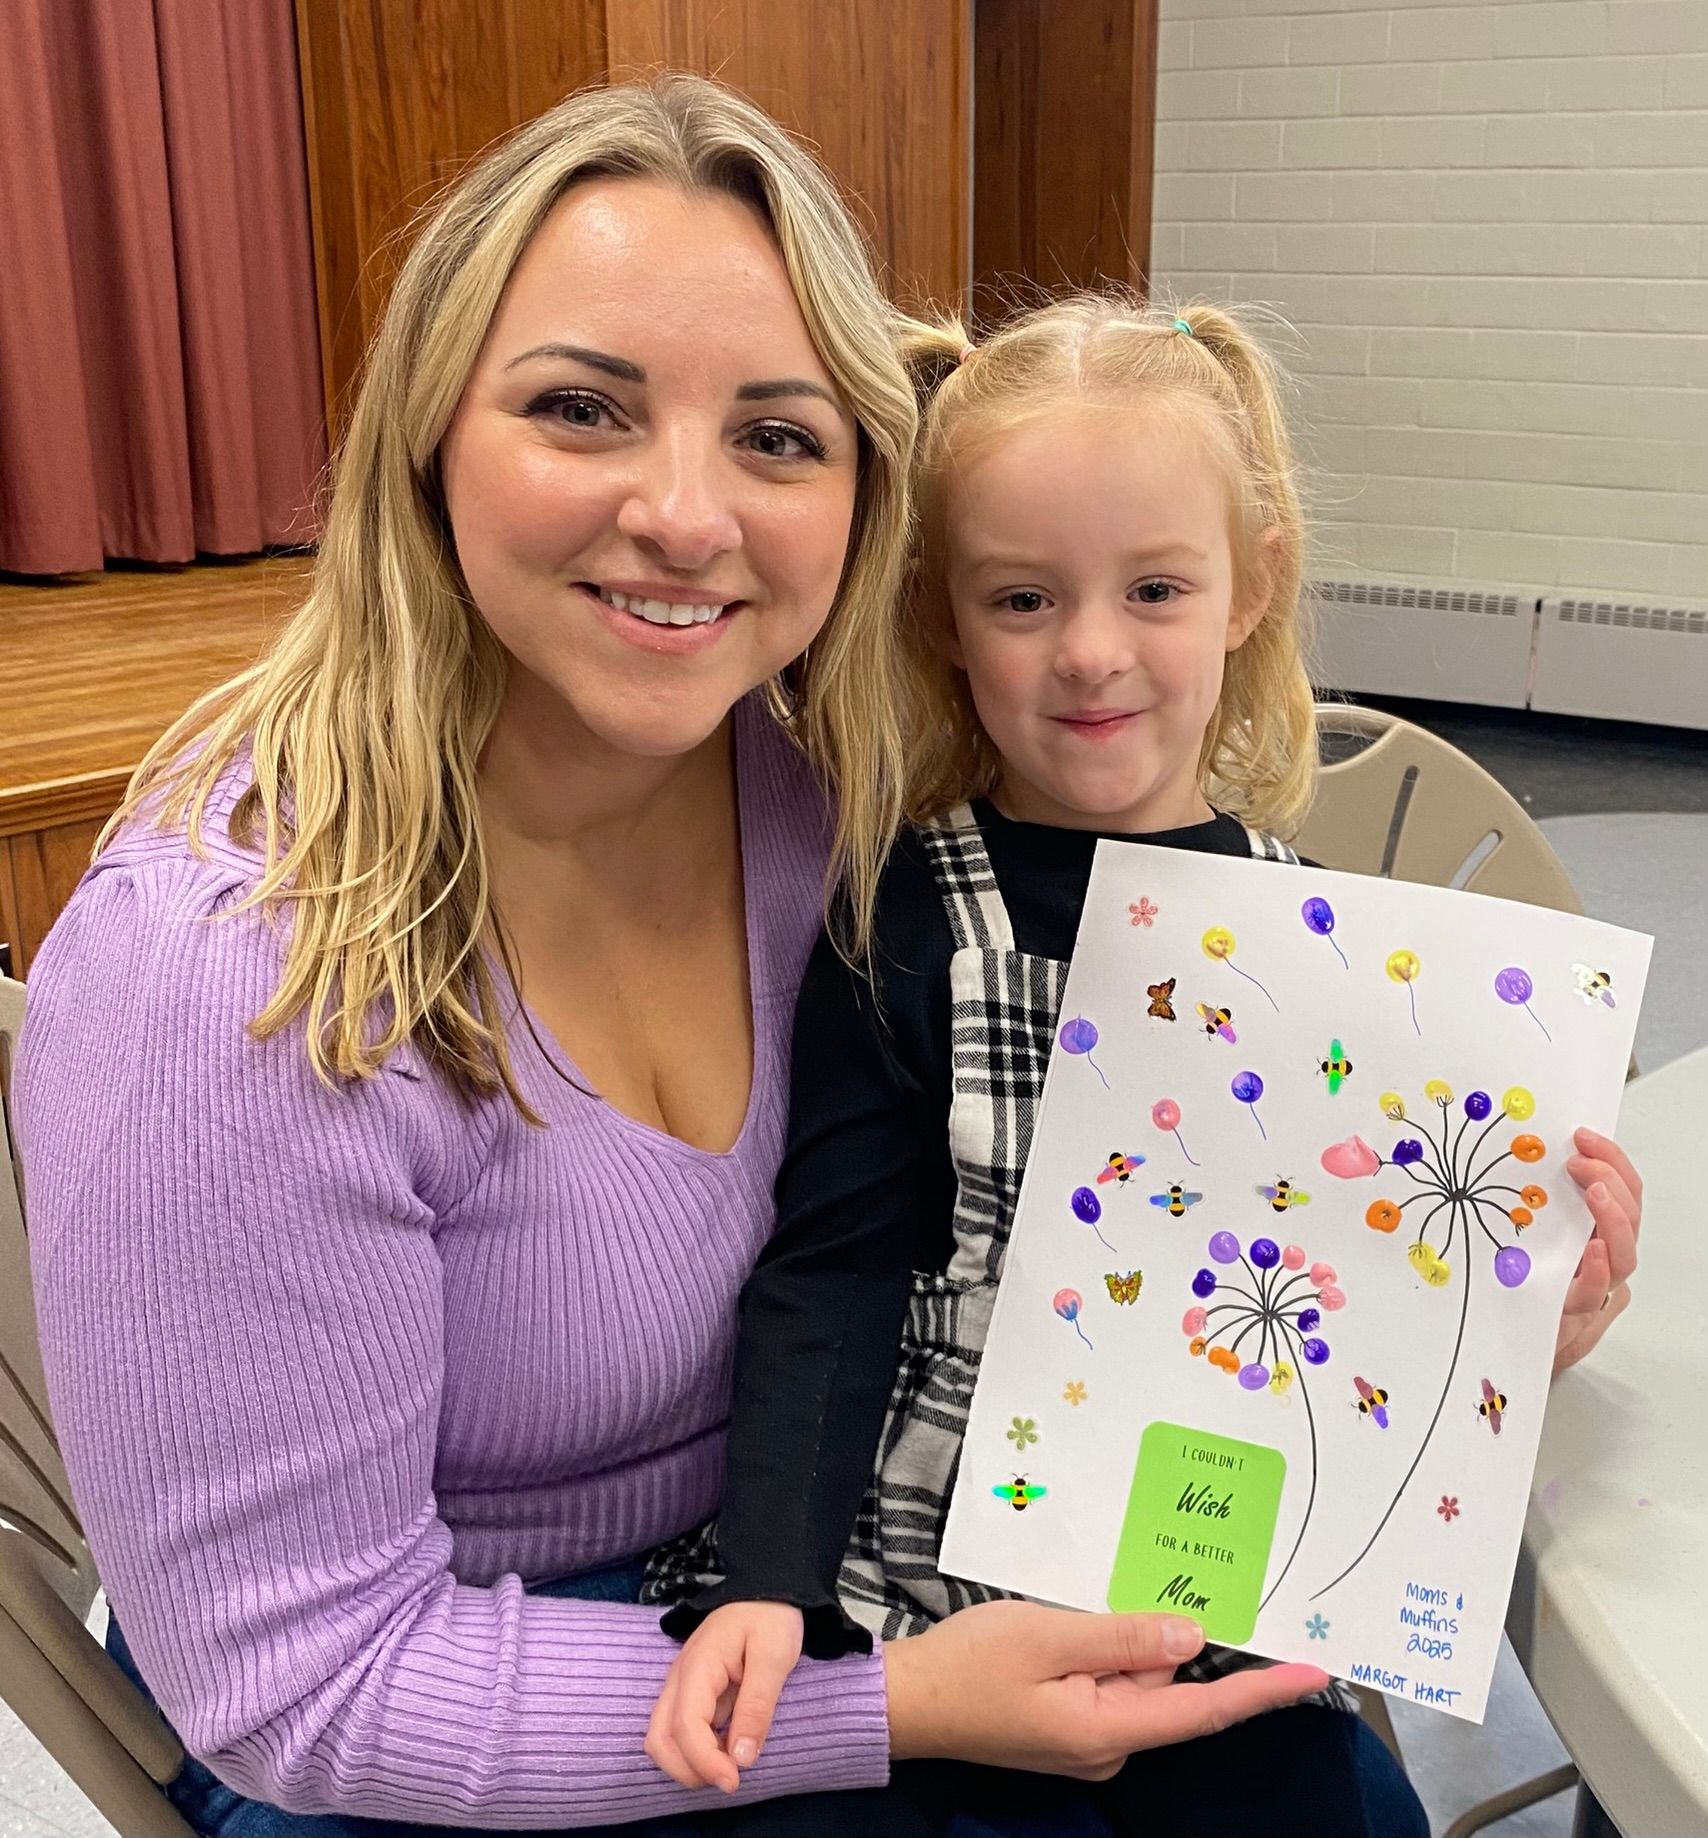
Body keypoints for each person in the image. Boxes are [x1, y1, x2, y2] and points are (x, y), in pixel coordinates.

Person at [16, 82, 1356, 1838]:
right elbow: (299, 1689)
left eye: (777, 436)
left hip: (812, 1556)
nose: (683, 512)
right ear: (427, 430)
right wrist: (884, 1705)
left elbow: (1065, 1209)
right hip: (418, 1712)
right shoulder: (218, 973)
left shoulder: (823, 802)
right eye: (582, 408)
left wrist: (1427, 1278)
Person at [642, 295, 1646, 1836]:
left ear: (1253, 589)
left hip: (1213, 1610)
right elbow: (829, 1272)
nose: (1093, 652)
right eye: (1023, 597)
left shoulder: (1333, 948)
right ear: (945, 620)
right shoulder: (903, 920)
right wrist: (771, 1584)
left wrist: (1520, 1316)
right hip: (934, 1604)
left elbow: (1369, 1308)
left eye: (1157, 588)